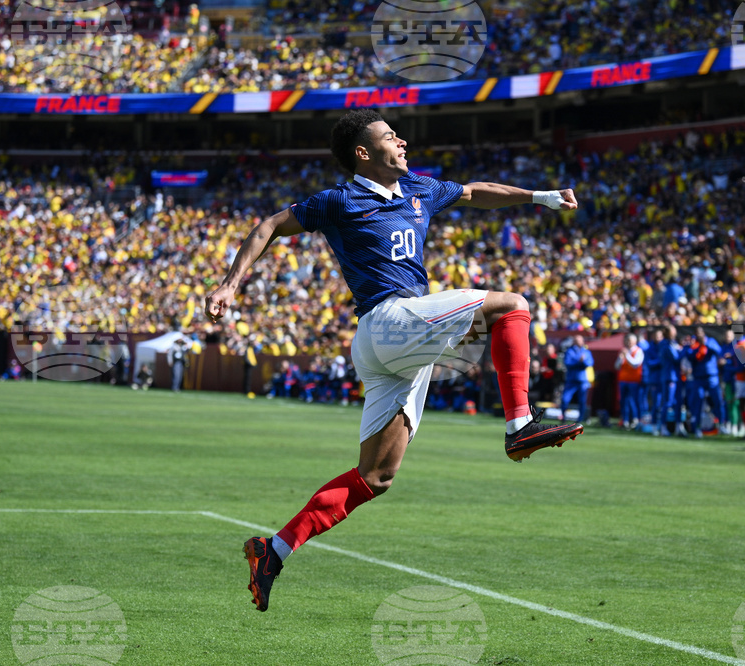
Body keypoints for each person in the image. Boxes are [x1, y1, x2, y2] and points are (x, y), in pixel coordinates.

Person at [204, 109, 585, 613]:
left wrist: (539, 197)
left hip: (395, 347)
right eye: (389, 136)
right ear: (364, 153)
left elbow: (475, 192)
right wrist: (231, 283)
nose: (402, 141)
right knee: (512, 304)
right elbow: (271, 224)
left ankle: (272, 551)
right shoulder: (340, 200)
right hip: (388, 320)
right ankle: (519, 423)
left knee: (375, 478)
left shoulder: (420, 189)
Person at [683, 327, 725, 438]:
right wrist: (697, 347)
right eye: (697, 333)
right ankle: (697, 427)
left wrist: (706, 344)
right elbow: (688, 355)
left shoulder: (710, 341)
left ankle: (721, 424)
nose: (699, 335)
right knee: (697, 403)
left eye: (700, 333)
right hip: (699, 378)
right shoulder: (693, 345)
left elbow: (718, 351)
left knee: (717, 401)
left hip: (711, 377)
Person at [658, 325, 682, 436]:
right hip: (670, 377)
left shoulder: (671, 343)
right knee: (668, 403)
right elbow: (676, 358)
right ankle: (663, 427)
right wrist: (685, 350)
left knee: (677, 403)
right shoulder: (666, 345)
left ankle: (678, 427)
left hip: (675, 376)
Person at [614, 333, 642, 429]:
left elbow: (635, 364)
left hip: (634, 381)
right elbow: (617, 366)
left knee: (633, 401)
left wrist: (627, 356)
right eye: (627, 341)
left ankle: (635, 420)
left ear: (634, 341)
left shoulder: (638, 351)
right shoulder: (623, 351)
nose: (628, 343)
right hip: (623, 380)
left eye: (629, 341)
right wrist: (621, 358)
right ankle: (625, 420)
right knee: (623, 401)